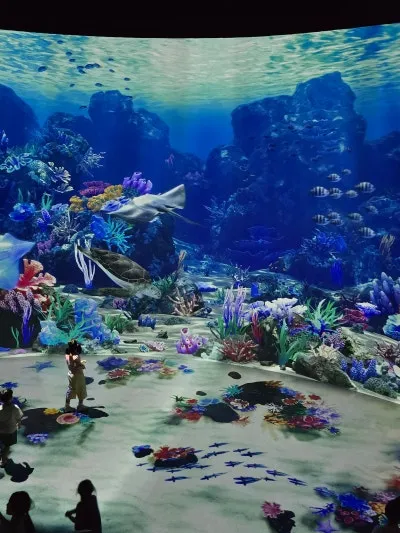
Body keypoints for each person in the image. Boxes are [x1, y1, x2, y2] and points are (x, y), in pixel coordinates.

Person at [0, 390, 23, 467]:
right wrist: (19, 424)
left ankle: (2, 455)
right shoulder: (15, 408)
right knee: (7, 446)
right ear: (11, 398)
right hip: (10, 431)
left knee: (2, 443)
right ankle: (3, 461)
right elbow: (19, 418)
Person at [65, 340, 88, 413]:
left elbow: (71, 364)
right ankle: (80, 405)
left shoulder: (67, 355)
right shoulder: (75, 356)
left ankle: (67, 406)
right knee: (81, 389)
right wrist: (82, 366)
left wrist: (79, 363)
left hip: (71, 374)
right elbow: (74, 366)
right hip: (77, 375)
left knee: (71, 389)